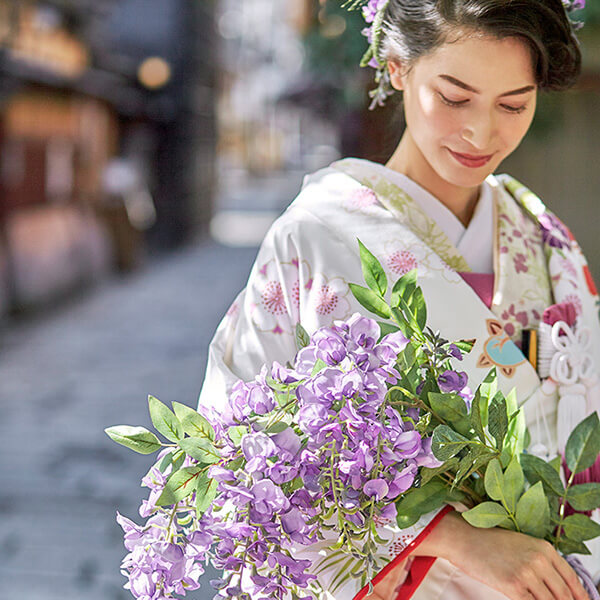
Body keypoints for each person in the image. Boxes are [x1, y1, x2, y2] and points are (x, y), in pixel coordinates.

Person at [199, 0, 600, 598]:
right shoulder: (318, 235)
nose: (482, 132)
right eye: (455, 96)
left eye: (513, 104)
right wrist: (454, 537)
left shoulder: (546, 243)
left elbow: (563, 381)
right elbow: (234, 448)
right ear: (397, 68)